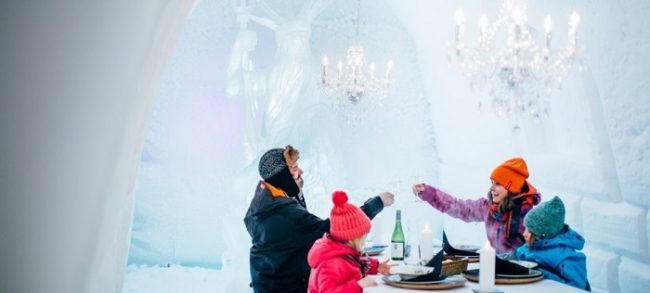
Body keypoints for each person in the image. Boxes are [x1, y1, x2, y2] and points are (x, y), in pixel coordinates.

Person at [244, 145, 394, 292]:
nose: (300, 172)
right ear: (282, 176)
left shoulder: (265, 201)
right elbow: (333, 229)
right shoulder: (282, 213)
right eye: (295, 168)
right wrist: (376, 204)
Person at [412, 157, 541, 254]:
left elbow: (535, 250)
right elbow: (457, 206)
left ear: (511, 187)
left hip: (521, 274)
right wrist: (427, 192)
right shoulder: (488, 208)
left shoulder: (529, 216)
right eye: (492, 182)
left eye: (497, 184)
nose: (491, 188)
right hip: (496, 268)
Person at [308, 191, 396, 292]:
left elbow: (354, 262)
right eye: (364, 236)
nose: (365, 240)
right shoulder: (331, 264)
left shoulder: (343, 254)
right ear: (352, 239)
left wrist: (376, 266)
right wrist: (358, 285)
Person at [516, 196, 590, 291]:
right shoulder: (530, 246)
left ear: (543, 235)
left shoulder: (566, 258)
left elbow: (577, 288)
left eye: (530, 230)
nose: (524, 233)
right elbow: (515, 258)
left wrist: (540, 274)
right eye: (525, 228)